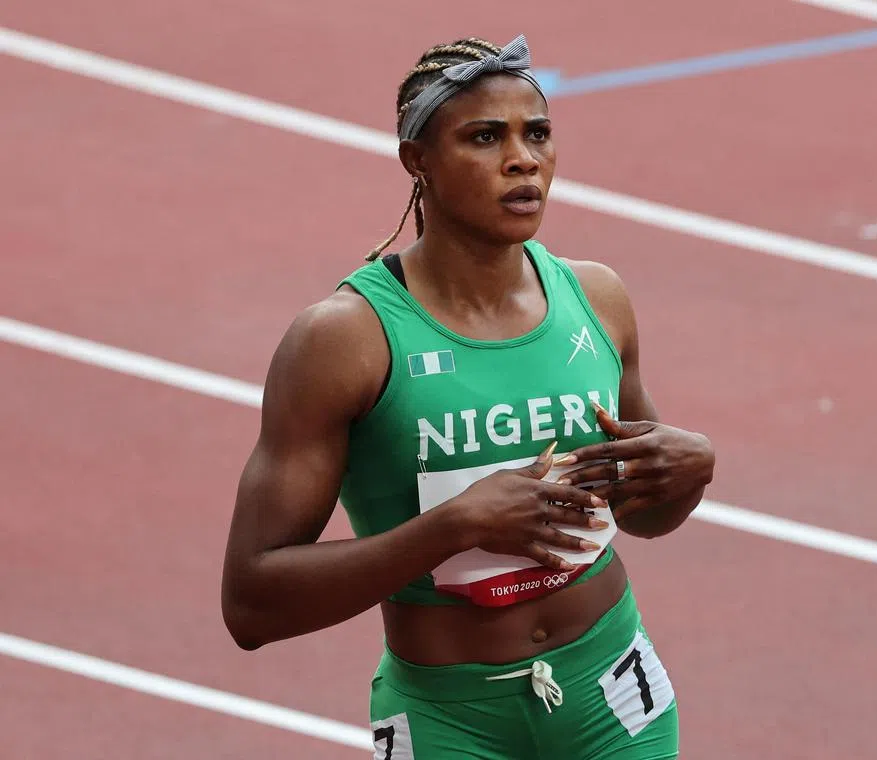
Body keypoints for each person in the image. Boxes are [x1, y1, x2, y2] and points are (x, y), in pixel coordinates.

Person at [221, 34, 716, 760]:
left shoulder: (597, 299)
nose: (523, 159)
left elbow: (646, 517)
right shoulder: (346, 340)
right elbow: (251, 605)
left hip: (612, 692)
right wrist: (453, 527)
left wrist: (689, 472)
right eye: (485, 137)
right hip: (452, 722)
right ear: (417, 161)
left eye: (537, 133)